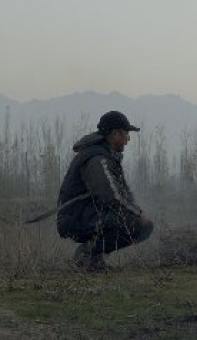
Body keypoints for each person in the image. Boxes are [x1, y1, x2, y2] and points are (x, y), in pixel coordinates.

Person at [57, 111, 154, 270]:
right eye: (126, 135)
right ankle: (87, 255)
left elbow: (123, 193)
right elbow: (110, 196)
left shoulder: (105, 155)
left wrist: (136, 210)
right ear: (115, 134)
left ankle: (95, 258)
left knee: (139, 223)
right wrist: (138, 213)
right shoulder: (98, 159)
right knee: (138, 225)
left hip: (85, 214)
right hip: (76, 218)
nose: (127, 141)